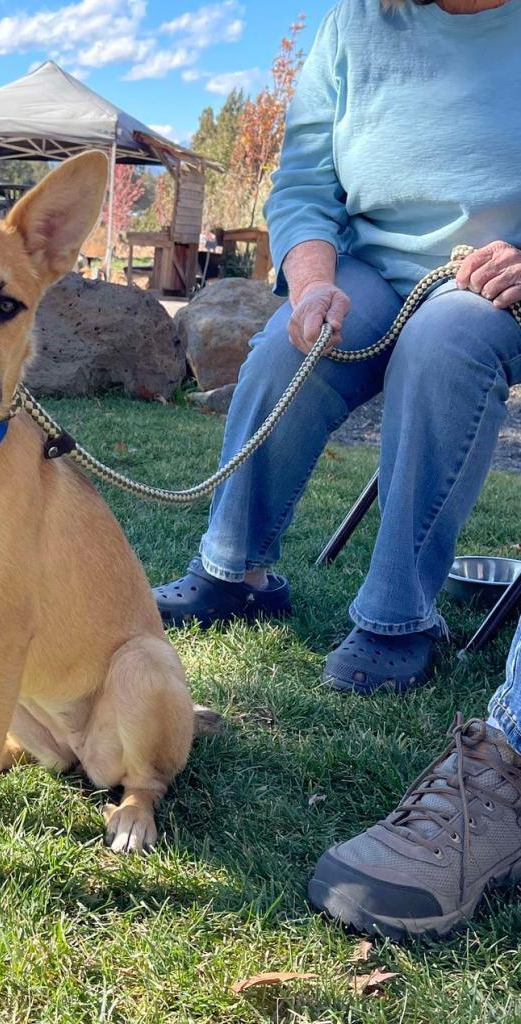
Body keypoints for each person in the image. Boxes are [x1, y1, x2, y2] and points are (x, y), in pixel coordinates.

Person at [153, 0, 521, 937]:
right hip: (364, 264)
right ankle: (235, 572)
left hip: (492, 282)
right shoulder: (356, 21)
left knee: (445, 346)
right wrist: (312, 280)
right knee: (288, 345)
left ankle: (397, 620)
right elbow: (307, 180)